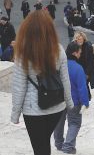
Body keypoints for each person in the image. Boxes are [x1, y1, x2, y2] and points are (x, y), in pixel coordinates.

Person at [11, 10, 74, 155]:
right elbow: (65, 79)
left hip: (33, 110)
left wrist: (15, 114)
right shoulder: (58, 49)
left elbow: (19, 86)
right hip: (56, 107)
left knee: (40, 148)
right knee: (43, 143)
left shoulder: (23, 52)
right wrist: (69, 102)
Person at [54, 42, 89, 154]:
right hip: (74, 101)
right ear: (74, 53)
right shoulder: (78, 68)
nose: (80, 54)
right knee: (74, 123)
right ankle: (68, 146)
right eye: (79, 52)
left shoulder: (59, 65)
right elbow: (82, 88)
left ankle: (59, 144)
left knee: (59, 121)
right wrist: (85, 102)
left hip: (59, 99)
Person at [74, 32, 94, 100]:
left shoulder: (88, 47)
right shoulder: (73, 46)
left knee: (84, 85)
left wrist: (86, 73)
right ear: (76, 39)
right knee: (79, 85)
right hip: (77, 69)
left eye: (81, 39)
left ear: (84, 39)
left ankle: (87, 98)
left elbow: (91, 62)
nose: (80, 40)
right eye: (78, 39)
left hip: (86, 69)